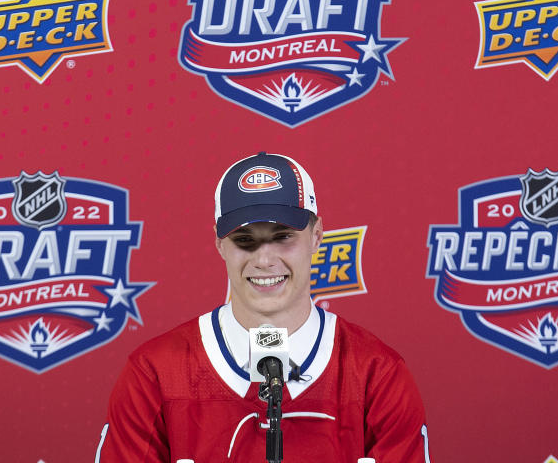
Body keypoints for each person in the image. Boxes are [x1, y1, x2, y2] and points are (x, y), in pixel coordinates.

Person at [95, 152, 430, 462]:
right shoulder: (155, 373)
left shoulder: (376, 374)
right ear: (219, 244)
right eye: (245, 240)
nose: (265, 259)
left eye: (283, 236)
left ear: (317, 236)